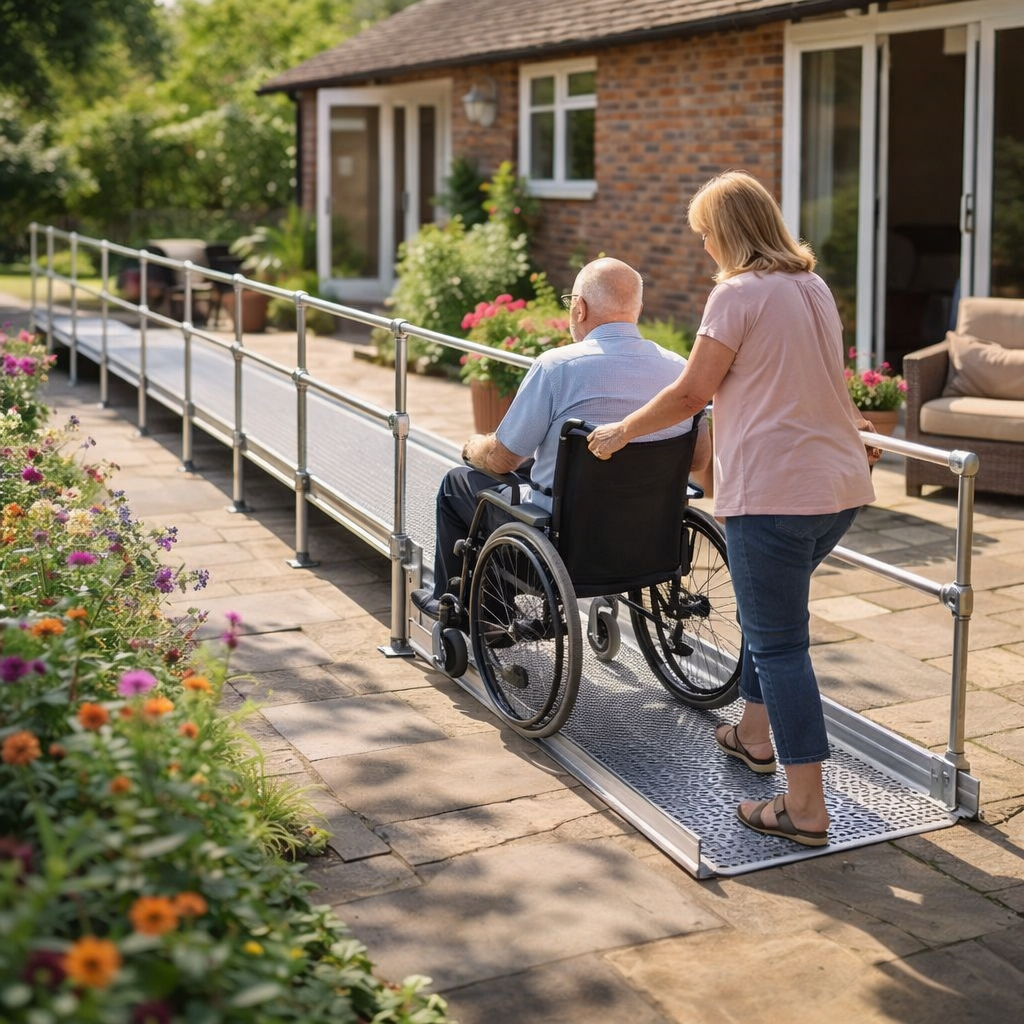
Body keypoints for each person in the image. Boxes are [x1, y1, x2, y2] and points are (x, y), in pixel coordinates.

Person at [587, 171, 881, 848]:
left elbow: (692, 394)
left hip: (774, 495)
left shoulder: (736, 295)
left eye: (705, 235)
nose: (704, 248)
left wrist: (621, 430)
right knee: (769, 616)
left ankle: (804, 808)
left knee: (780, 646)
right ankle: (753, 736)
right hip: (835, 488)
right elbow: (816, 383)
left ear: (728, 232)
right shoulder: (812, 287)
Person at [412, 256, 710, 616]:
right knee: (536, 471)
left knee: (459, 483)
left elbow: (503, 459)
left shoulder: (558, 367)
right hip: (649, 541)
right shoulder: (678, 370)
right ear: (638, 309)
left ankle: (467, 606)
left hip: (566, 545)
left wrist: (475, 447)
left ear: (580, 309)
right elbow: (697, 460)